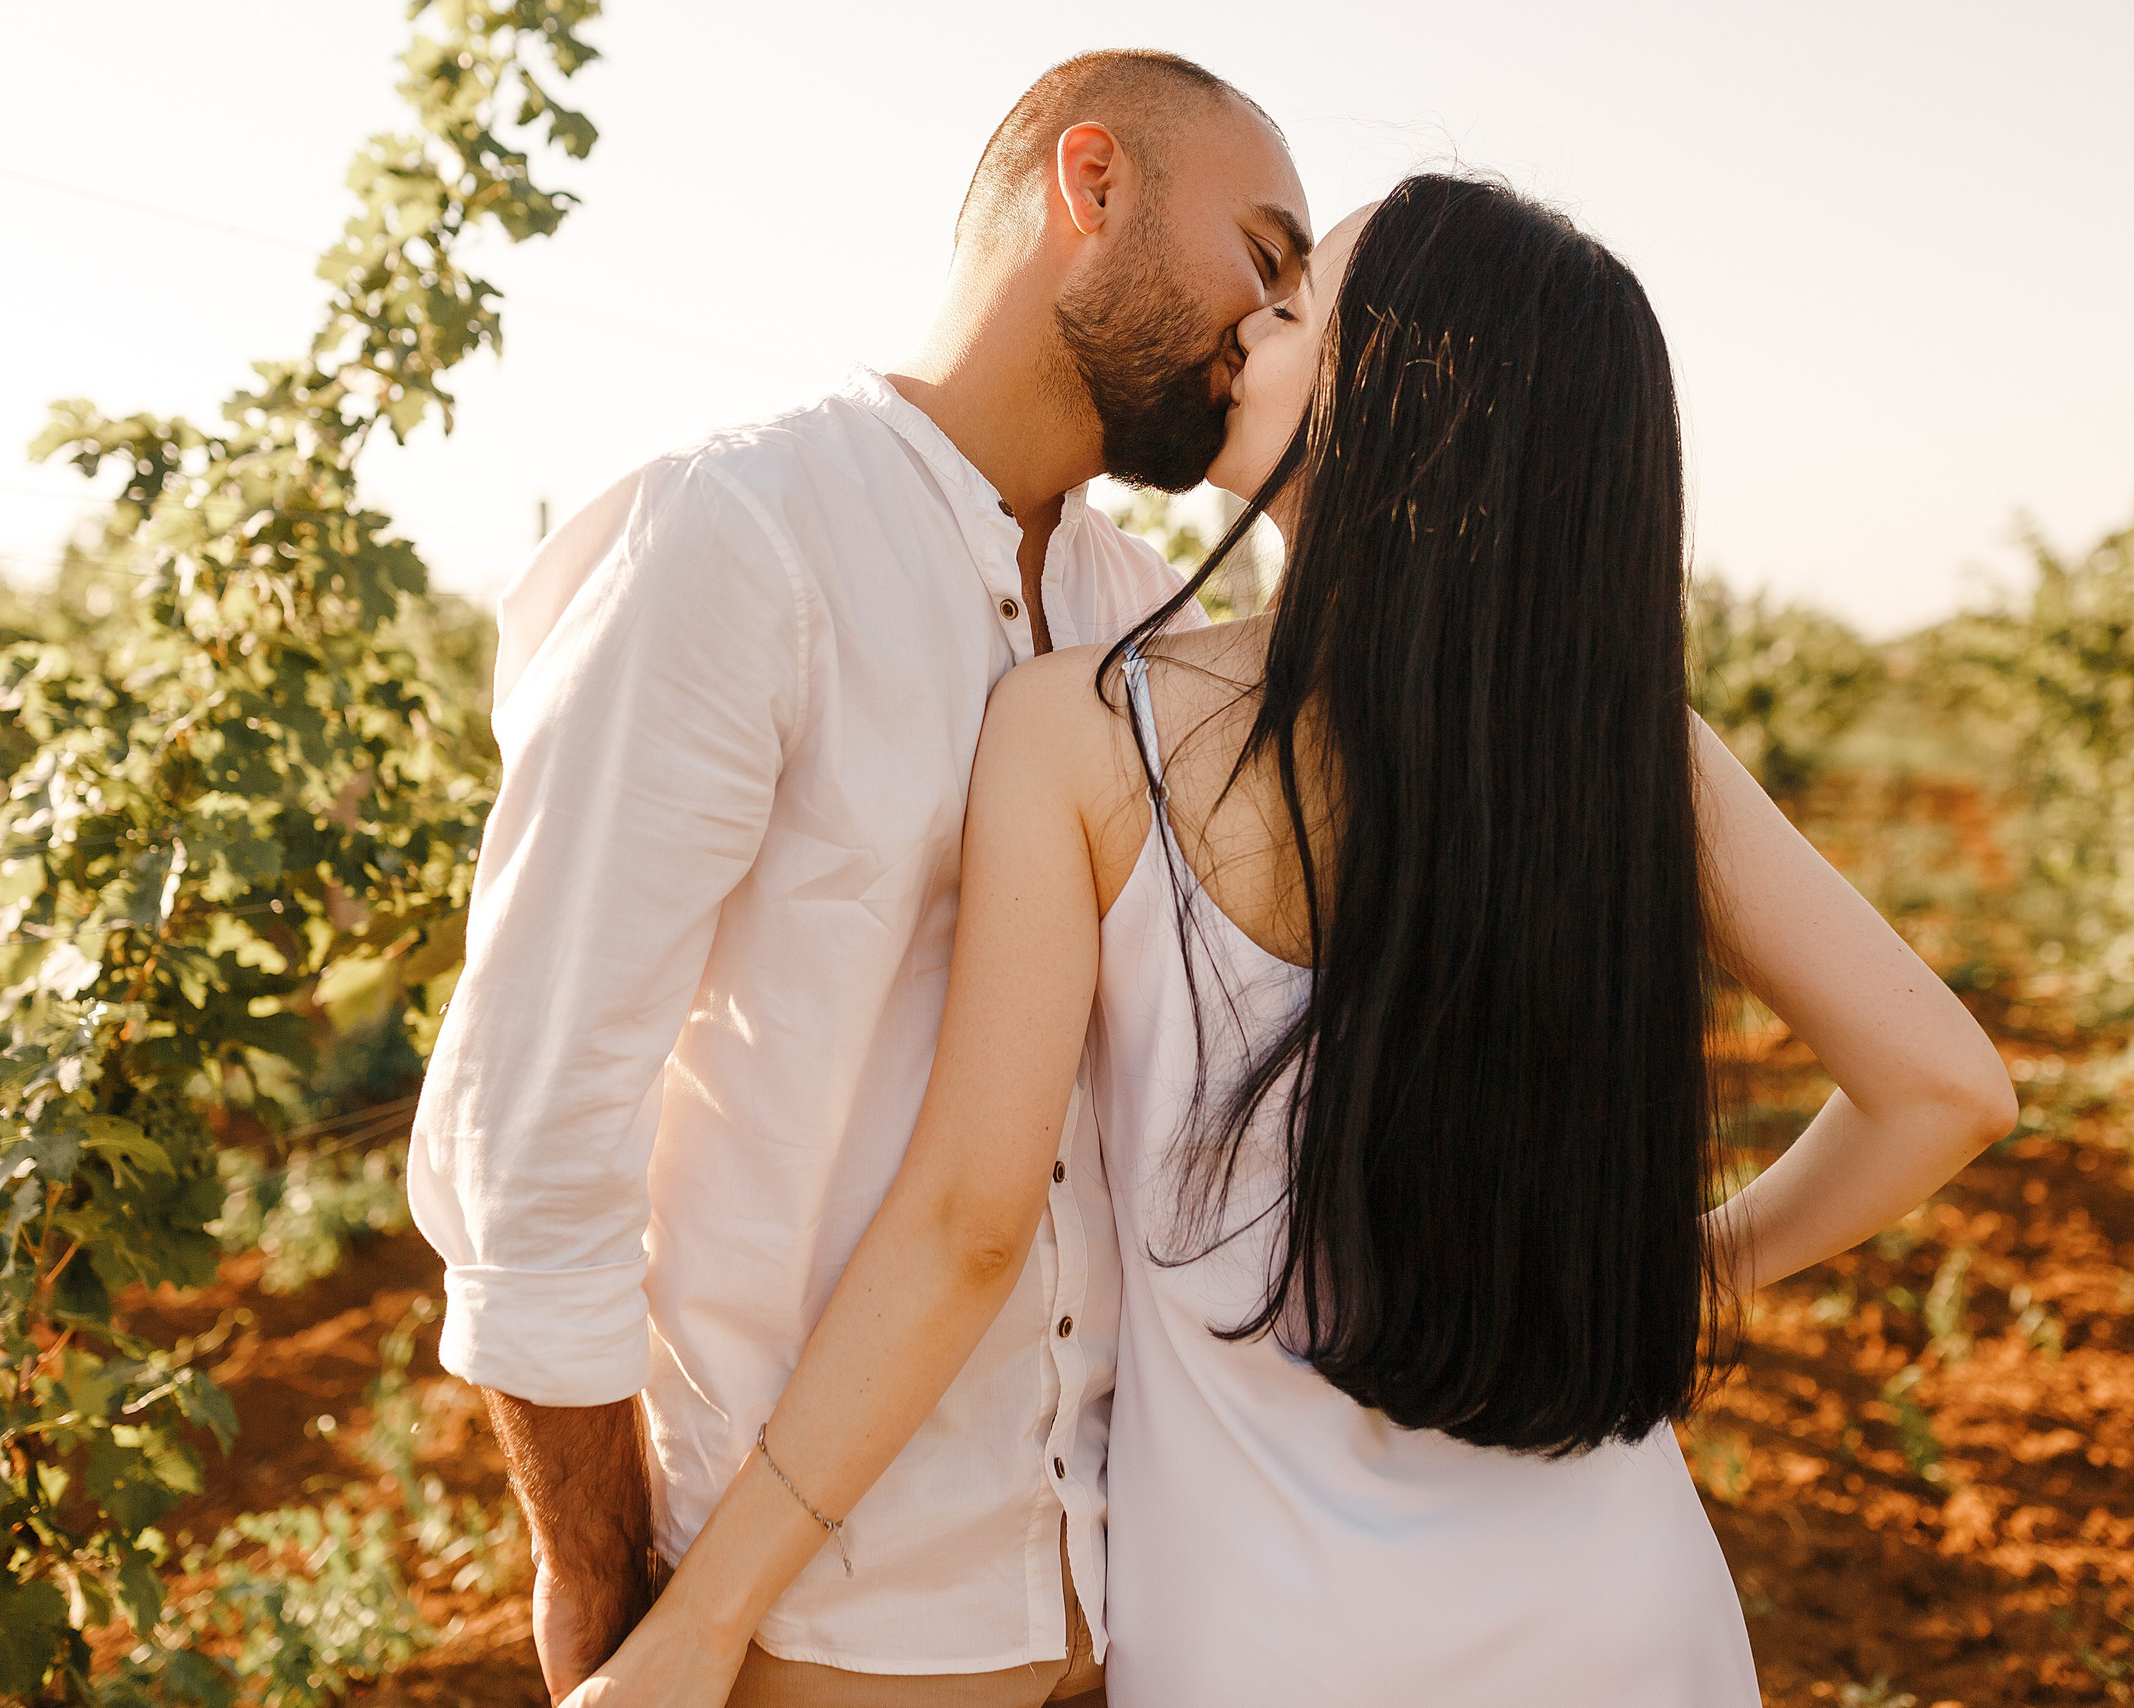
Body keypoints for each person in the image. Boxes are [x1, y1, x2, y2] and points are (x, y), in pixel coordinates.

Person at [566, 176, 2021, 1706]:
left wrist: (703, 1621)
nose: (1242, 332)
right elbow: (1946, 1089)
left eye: (1292, 305)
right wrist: (1671, 1269)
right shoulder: (1622, 753)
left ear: (1389, 402)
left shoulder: (1087, 733)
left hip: (1275, 1643)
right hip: (1624, 1619)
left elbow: (966, 1230)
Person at [404, 49, 1311, 1706]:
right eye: (1264, 254)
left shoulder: (1146, 620)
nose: (1270, 326)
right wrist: (599, 1582)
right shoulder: (736, 538)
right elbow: (532, 1124)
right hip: (823, 1622)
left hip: (1134, 1596)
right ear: (1091, 183)